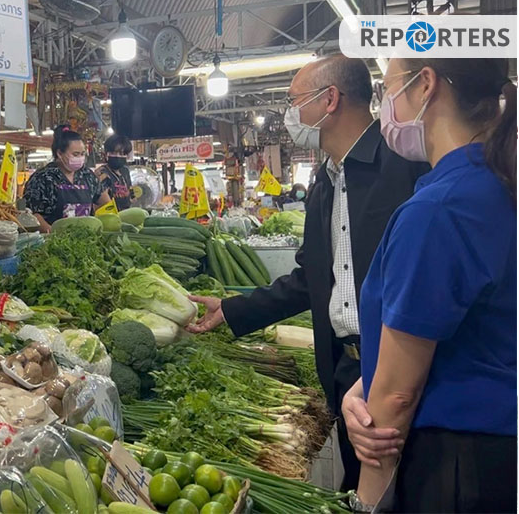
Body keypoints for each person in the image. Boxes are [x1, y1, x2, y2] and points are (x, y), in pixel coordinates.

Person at [187, 54, 429, 491]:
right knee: (360, 492)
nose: (290, 113)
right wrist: (232, 309)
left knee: (414, 489)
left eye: (295, 100)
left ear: (329, 99)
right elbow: (310, 280)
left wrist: (395, 377)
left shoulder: (405, 167)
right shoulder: (325, 182)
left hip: (405, 371)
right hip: (346, 372)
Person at [342, 58, 516, 513]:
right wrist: (364, 385)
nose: (385, 104)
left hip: (457, 466)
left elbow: (398, 398)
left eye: (387, 88)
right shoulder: (497, 186)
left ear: (425, 84)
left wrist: (366, 504)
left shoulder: (438, 210)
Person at [23, 124, 110, 232]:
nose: (80, 158)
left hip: (87, 238)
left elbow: (105, 202)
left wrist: (97, 224)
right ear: (60, 153)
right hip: (53, 239)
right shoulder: (42, 178)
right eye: (75, 154)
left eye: (82, 154)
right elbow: (32, 214)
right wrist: (54, 235)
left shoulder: (87, 176)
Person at [95, 133, 135, 210]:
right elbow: (104, 202)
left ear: (127, 155)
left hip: (127, 213)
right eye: (113, 153)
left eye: (121, 153)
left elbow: (131, 194)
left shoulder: (125, 171)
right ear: (106, 154)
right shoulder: (102, 173)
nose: (117, 156)